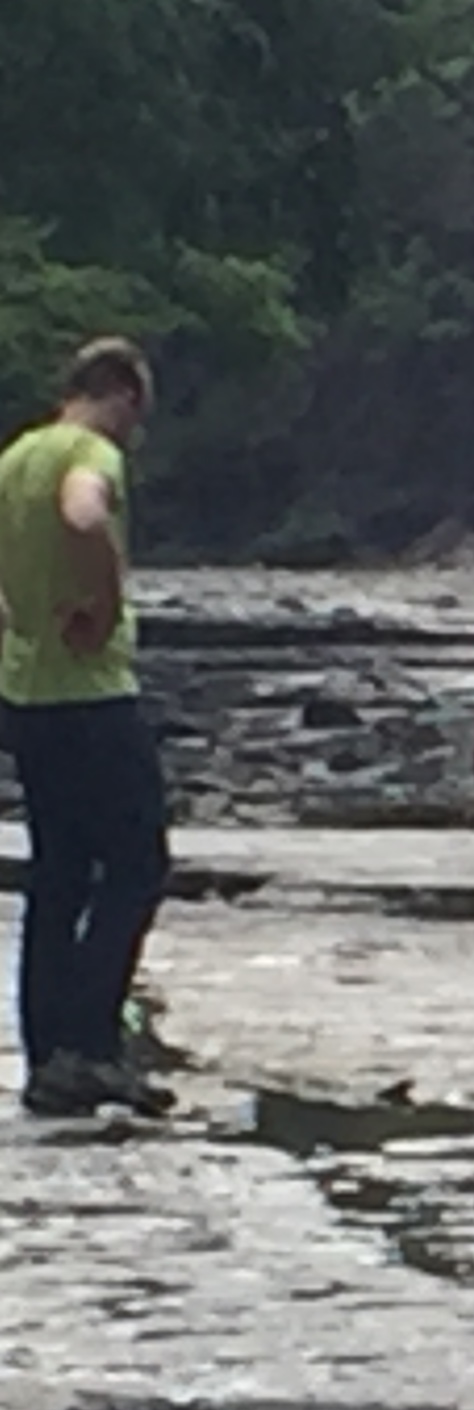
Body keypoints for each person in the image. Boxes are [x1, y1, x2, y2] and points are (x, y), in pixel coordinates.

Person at [0, 337, 172, 1119]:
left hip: (25, 694)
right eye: (139, 412)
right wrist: (103, 604)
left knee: (59, 872)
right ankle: (92, 1044)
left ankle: (47, 1056)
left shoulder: (15, 458)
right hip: (92, 693)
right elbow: (82, 510)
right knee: (138, 864)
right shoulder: (87, 454)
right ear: (122, 392)